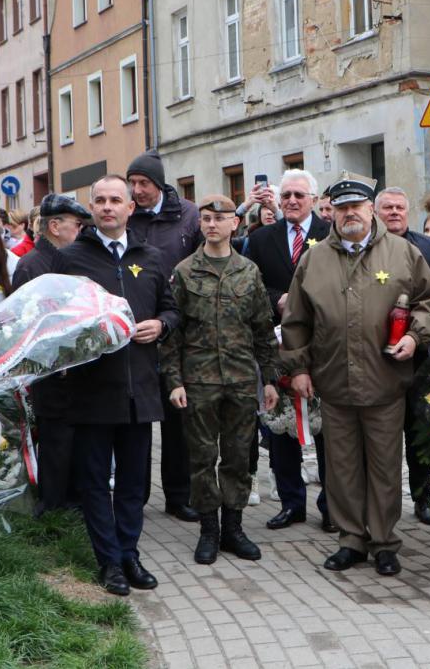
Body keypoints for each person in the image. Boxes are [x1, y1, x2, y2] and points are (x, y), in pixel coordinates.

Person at [282, 172, 430, 576]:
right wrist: (298, 368)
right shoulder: (314, 259)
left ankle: (385, 542)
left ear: (371, 209)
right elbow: (295, 320)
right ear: (332, 212)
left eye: (357, 206)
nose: (350, 213)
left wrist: (415, 337)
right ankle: (352, 539)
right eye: (342, 207)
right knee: (342, 468)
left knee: (385, 468)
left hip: (385, 381)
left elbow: (429, 302)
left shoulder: (403, 253)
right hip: (333, 382)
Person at [42, 175, 179, 595]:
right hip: (91, 391)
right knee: (96, 482)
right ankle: (109, 562)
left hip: (139, 390)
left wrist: (161, 325)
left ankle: (129, 552)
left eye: (115, 200)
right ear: (91, 209)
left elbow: (171, 310)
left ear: (129, 208)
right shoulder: (71, 258)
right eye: (99, 201)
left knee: (135, 483)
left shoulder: (150, 256)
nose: (107, 207)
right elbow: (54, 318)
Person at [162, 195, 281, 565]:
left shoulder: (249, 271)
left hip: (242, 380)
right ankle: (209, 531)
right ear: (200, 224)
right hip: (199, 381)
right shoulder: (184, 271)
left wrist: (271, 380)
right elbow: (173, 334)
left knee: (238, 456)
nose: (212, 224)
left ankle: (234, 527)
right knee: (201, 457)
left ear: (235, 224)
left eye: (220, 219)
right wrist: (174, 381)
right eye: (207, 218)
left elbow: (262, 328)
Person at [245, 169, 333, 531]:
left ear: (313, 198)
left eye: (299, 195)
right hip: (277, 346)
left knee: (328, 430)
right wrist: (275, 299)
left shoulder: (330, 235)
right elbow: (252, 285)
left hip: (323, 345)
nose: (293, 201)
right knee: (281, 429)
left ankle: (332, 505)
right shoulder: (262, 238)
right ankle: (291, 503)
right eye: (287, 196)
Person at [126, 149, 202, 523]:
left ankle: (178, 495)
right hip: (138, 327)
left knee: (178, 417)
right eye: (133, 183)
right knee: (139, 416)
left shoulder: (188, 215)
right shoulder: (128, 216)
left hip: (178, 327)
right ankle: (135, 495)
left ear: (159, 184)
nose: (137, 191)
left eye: (144, 183)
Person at [12, 193, 90, 515]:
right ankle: (53, 509)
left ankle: (73, 504)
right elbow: (20, 322)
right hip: (49, 372)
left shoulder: (72, 259)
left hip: (78, 370)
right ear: (55, 226)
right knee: (56, 445)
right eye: (76, 225)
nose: (80, 231)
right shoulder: (31, 266)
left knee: (75, 445)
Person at [375, 187, 430, 525]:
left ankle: (423, 499)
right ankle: (381, 502)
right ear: (376, 212)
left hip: (418, 356)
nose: (394, 212)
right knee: (383, 435)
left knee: (420, 431)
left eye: (400, 207)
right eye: (387, 207)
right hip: (377, 358)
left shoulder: (428, 246)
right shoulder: (369, 247)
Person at [12, 194, 89, 291]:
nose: (81, 230)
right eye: (78, 224)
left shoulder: (69, 258)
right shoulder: (29, 266)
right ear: (55, 227)